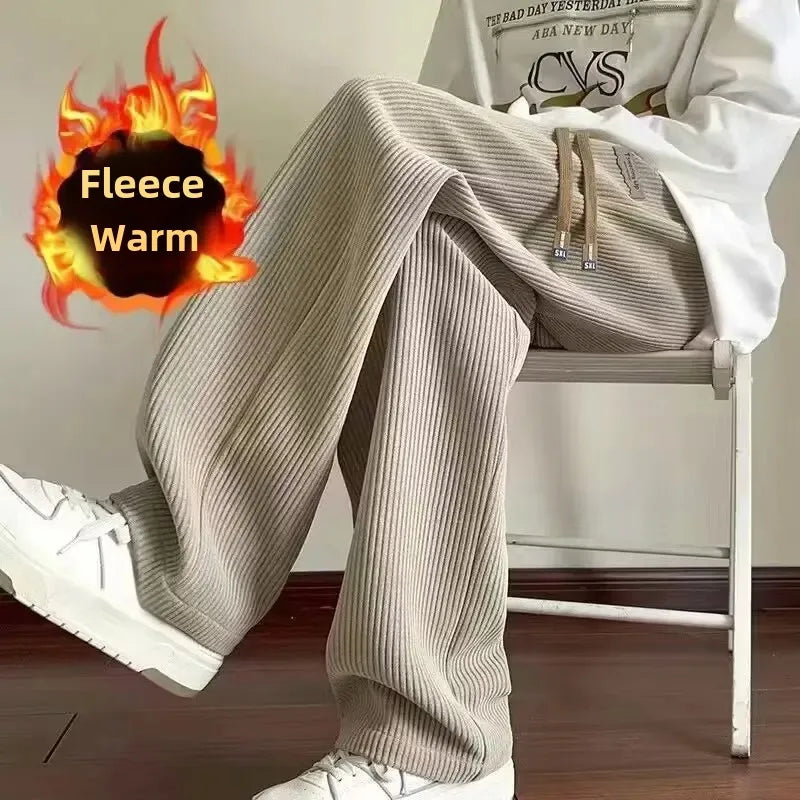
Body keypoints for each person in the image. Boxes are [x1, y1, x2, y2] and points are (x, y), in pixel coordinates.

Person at [1, 1, 798, 798]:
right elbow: (439, 133)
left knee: (376, 114)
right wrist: (500, 147)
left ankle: (177, 561)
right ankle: (439, 751)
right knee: (429, 245)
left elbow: (739, 147)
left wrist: (526, 139)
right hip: (526, 231)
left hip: (668, 248)